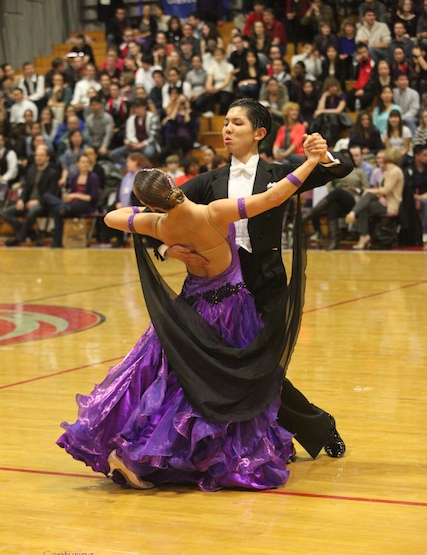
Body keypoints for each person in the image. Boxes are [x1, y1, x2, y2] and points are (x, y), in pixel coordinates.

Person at [57, 140, 325, 491]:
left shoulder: (159, 225)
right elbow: (273, 198)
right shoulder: (214, 212)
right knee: (219, 385)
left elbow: (111, 217)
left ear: (150, 203)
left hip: (189, 308)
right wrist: (311, 162)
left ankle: (133, 451)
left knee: (169, 379)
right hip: (229, 310)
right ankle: (142, 455)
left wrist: (169, 244)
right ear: (171, 181)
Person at [156, 98, 352, 459]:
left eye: (237, 124)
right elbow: (161, 220)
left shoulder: (281, 173)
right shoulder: (208, 181)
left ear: (259, 133)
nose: (227, 129)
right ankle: (265, 438)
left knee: (263, 370)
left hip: (268, 285)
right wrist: (168, 250)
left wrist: (322, 154)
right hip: (224, 292)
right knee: (239, 371)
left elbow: (341, 169)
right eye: (226, 123)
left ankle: (316, 426)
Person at [345, 148, 404, 249]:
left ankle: (357, 223)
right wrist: (379, 195)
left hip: (391, 205)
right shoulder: (387, 171)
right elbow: (382, 190)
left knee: (365, 199)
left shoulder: (395, 171)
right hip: (384, 201)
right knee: (365, 201)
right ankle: (362, 232)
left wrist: (370, 191)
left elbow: (386, 190)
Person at [2, 145, 58, 246]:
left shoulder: (53, 173)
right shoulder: (31, 170)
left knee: (33, 211)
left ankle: (20, 238)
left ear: (47, 158)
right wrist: (21, 200)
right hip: (28, 202)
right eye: (37, 155)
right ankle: (31, 233)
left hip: (43, 204)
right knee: (5, 213)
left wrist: (38, 201)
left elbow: (52, 193)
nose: (38, 157)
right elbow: (26, 188)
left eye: (41, 155)